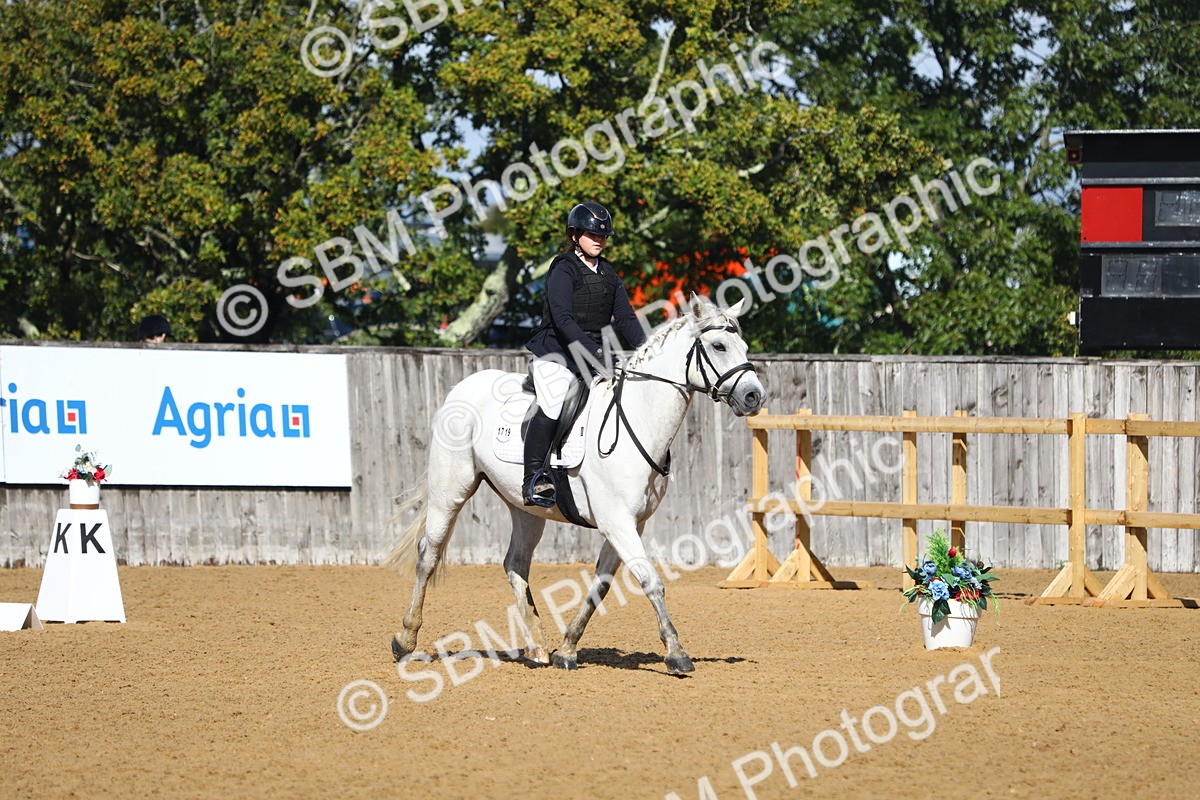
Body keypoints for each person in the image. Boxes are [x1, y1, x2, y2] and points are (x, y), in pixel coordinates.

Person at [523, 201, 648, 506]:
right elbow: (563, 321)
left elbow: (627, 318)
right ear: (576, 234)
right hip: (557, 352)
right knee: (554, 401)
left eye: (603, 236)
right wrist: (595, 353)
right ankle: (534, 478)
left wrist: (647, 350)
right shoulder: (563, 269)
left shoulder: (608, 273)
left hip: (593, 354)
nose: (599, 240)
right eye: (593, 234)